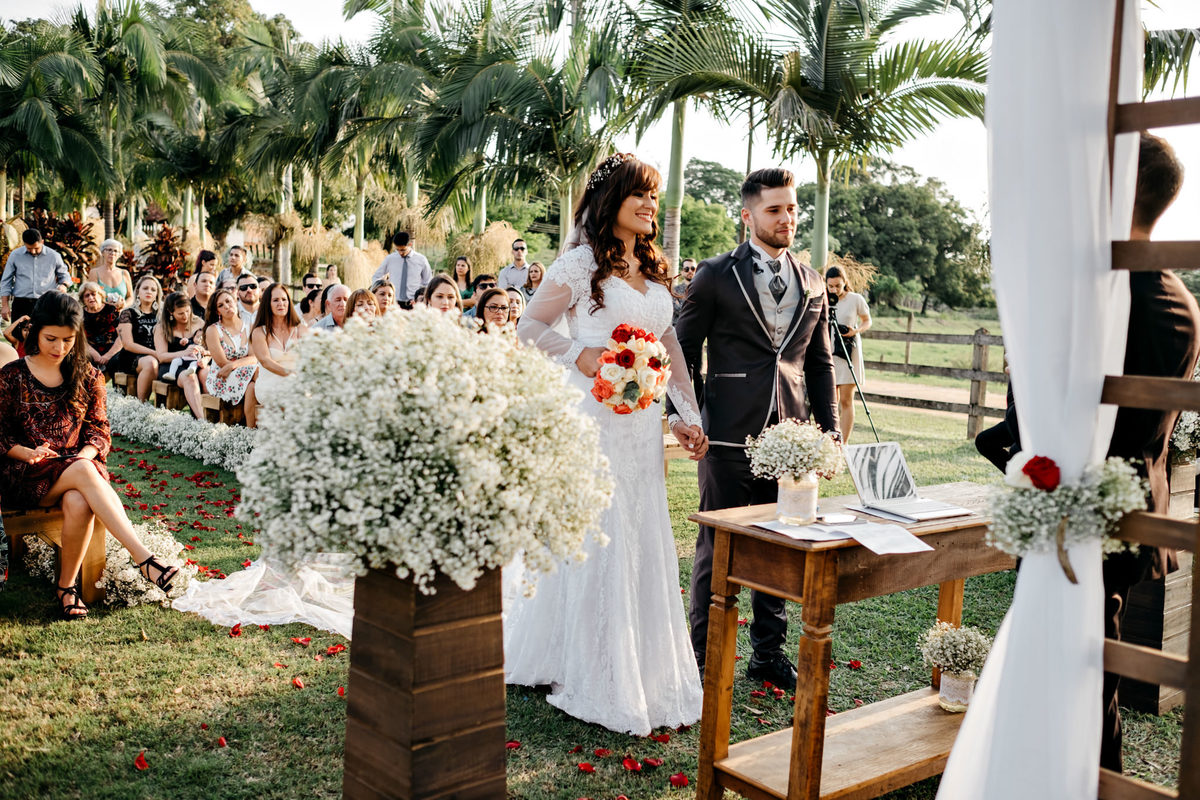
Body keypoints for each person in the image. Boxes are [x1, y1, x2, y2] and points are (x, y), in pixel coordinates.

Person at [507, 153, 709, 735]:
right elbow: (529, 328)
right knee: (599, 526)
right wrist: (584, 354)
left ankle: (638, 661)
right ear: (611, 201)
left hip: (642, 427)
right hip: (592, 417)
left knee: (639, 527)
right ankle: (586, 662)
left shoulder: (654, 271)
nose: (651, 206)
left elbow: (671, 352)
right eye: (640, 195)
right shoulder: (578, 264)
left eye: (654, 196)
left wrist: (685, 416)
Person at [670, 166, 839, 691]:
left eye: (792, 208)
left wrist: (828, 431)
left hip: (790, 442)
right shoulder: (717, 274)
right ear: (748, 217)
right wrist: (686, 416)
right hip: (724, 435)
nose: (787, 218)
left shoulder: (812, 282)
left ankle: (768, 656)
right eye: (775, 209)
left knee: (781, 548)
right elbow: (680, 348)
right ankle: (701, 662)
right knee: (716, 550)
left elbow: (819, 364)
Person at [1101, 132, 1200, 773]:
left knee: (1089, 672)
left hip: (1097, 506)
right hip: (1136, 501)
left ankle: (1093, 777)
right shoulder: (1178, 297)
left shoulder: (1117, 299)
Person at [0, 292, 178, 618]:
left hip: (77, 471)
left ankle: (66, 588)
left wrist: (83, 454)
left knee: (80, 497)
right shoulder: (11, 376)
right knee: (84, 472)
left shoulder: (89, 376)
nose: (59, 347)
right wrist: (25, 452)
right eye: (51, 338)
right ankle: (145, 560)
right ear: (36, 331)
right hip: (26, 473)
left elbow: (100, 431)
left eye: (68, 339)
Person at [825, 265, 871, 443]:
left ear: (845, 282)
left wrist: (856, 331)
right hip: (828, 351)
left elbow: (867, 320)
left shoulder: (855, 299)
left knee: (845, 399)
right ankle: (829, 440)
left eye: (838, 285)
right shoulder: (825, 299)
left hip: (847, 351)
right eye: (831, 286)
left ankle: (843, 443)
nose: (835, 289)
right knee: (830, 400)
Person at [204, 288, 260, 427]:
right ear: (217, 311)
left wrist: (233, 365)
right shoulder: (213, 330)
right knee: (258, 372)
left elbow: (255, 356)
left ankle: (250, 430)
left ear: (235, 301)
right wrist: (232, 366)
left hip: (244, 373)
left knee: (252, 387)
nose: (227, 306)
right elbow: (223, 363)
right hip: (222, 378)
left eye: (228, 301)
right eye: (221, 305)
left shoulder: (249, 326)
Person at [250, 283, 307, 411]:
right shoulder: (259, 332)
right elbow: (265, 361)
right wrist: (291, 374)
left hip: (297, 383)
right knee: (297, 393)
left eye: (284, 299)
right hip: (270, 384)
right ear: (267, 304)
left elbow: (311, 354)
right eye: (275, 300)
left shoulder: (300, 329)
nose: (281, 303)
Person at [154, 292, 207, 419]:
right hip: (171, 367)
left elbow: (209, 349)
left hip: (196, 362)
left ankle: (217, 418)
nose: (185, 316)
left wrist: (205, 358)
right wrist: (184, 352)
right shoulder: (162, 328)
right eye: (180, 313)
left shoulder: (199, 323)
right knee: (190, 377)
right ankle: (202, 420)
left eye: (188, 311)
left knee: (207, 374)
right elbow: (161, 357)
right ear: (170, 312)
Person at [1, 228, 71, 322]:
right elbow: (6, 281)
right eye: (29, 248)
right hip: (21, 304)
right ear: (24, 244)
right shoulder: (15, 255)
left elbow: (64, 275)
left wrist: (64, 285)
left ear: (42, 242)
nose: (33, 252)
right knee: (18, 336)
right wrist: (5, 306)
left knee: (45, 335)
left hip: (46, 303)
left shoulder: (54, 256)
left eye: (36, 248)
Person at [117, 275, 164, 401]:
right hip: (132, 355)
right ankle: (141, 405)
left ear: (157, 294)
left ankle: (163, 407)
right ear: (138, 291)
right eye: (145, 288)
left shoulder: (161, 315)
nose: (149, 291)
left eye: (153, 290)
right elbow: (128, 344)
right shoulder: (128, 313)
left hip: (157, 354)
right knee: (151, 363)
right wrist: (154, 353)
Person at [372, 232, 431, 309]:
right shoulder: (390, 259)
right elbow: (376, 276)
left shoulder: (421, 260)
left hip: (414, 304)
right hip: (394, 304)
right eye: (397, 250)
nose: (400, 253)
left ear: (410, 244)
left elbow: (428, 282)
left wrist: (421, 298)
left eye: (403, 250)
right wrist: (377, 292)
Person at [79, 282, 123, 375]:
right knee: (81, 361)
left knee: (118, 360)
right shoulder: (80, 314)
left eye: (93, 294)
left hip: (112, 351)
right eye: (87, 296)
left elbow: (122, 337)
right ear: (83, 299)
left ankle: (117, 390)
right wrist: (95, 355)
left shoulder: (112, 310)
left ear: (100, 295)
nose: (91, 298)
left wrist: (107, 356)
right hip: (90, 351)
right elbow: (80, 339)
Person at [87, 239, 134, 308]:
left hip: (122, 315)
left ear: (119, 255)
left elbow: (131, 297)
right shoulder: (94, 273)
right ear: (103, 252)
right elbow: (92, 296)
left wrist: (124, 305)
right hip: (101, 314)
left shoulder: (124, 273)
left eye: (115, 251)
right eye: (109, 250)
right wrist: (110, 306)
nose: (112, 253)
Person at [671, 258, 696, 322]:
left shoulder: (702, 289)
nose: (690, 271)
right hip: (679, 327)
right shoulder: (675, 290)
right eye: (686, 269)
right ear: (682, 272)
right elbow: (676, 310)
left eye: (693, 268)